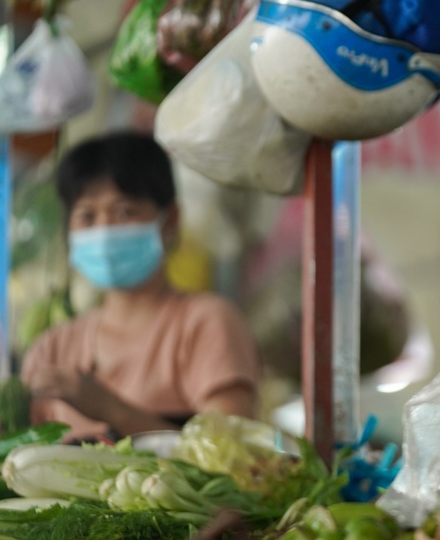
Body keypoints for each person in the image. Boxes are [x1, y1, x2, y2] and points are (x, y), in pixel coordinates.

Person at [21, 131, 262, 443]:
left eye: (124, 212)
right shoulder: (50, 350)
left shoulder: (206, 323)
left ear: (170, 220)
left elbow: (232, 455)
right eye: (87, 216)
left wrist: (111, 409)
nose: (104, 230)